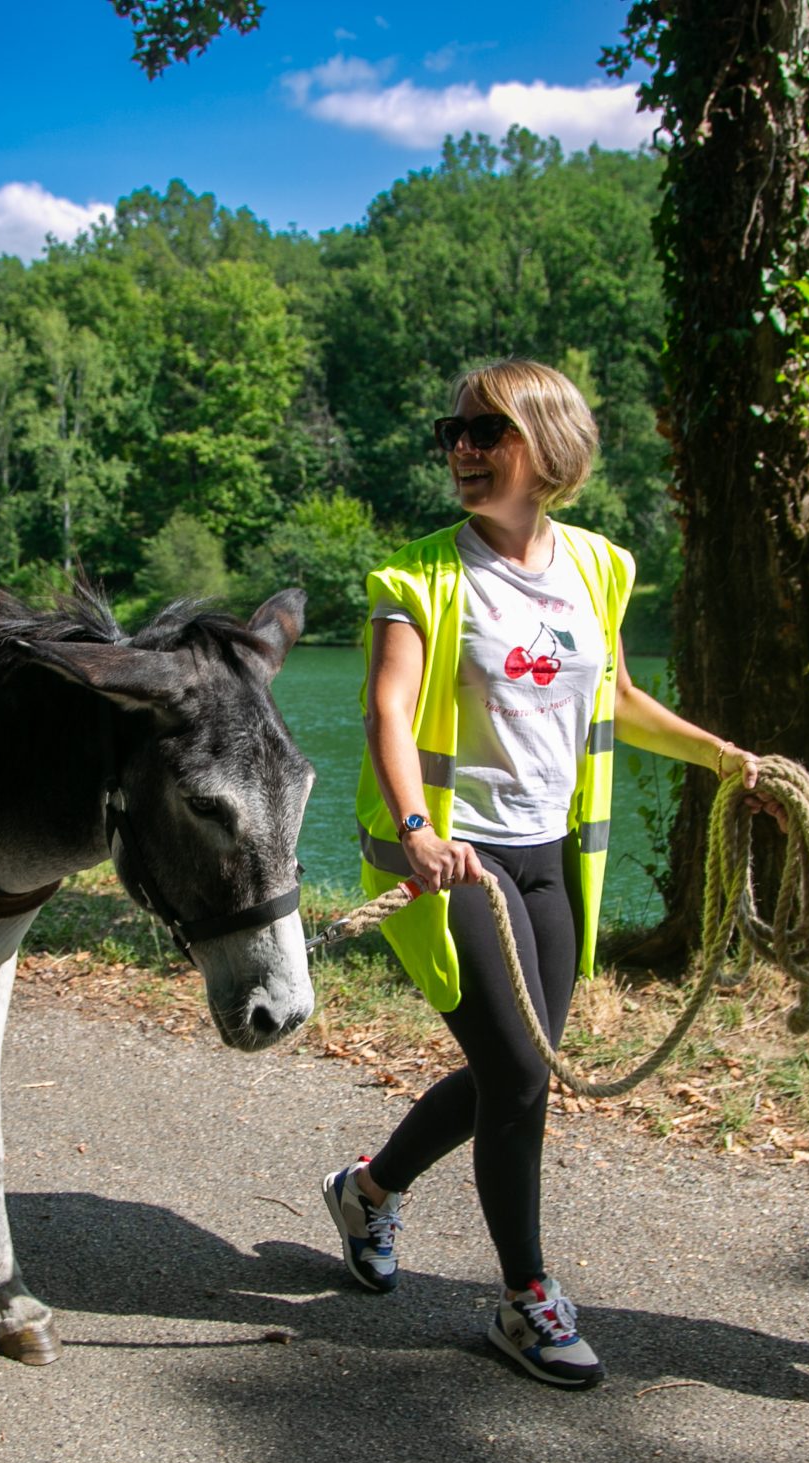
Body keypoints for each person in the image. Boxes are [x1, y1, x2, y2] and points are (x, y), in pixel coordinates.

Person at [318, 358, 760, 1389]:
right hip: (455, 861)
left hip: (551, 857)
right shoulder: (417, 579)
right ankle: (526, 1298)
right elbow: (388, 710)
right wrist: (418, 829)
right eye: (454, 432)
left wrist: (723, 758)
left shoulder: (599, 566)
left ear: (548, 445)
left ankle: (368, 1190)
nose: (462, 450)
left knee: (514, 1075)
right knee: (518, 1076)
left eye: (487, 431)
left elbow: (618, 699)